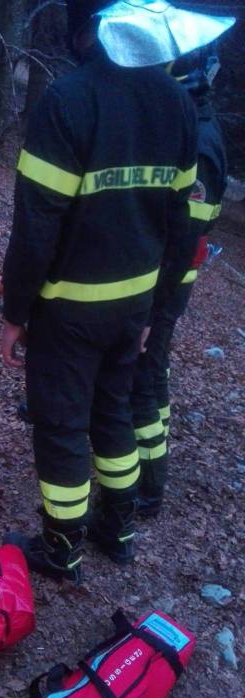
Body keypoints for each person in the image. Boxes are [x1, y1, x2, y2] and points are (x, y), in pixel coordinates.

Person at [0, 0, 234, 584]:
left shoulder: (67, 100)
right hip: (134, 304)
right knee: (112, 414)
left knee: (60, 425)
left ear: (95, 36)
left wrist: (15, 310)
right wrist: (158, 308)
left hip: (70, 306)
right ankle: (118, 529)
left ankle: (61, 548)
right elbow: (184, 223)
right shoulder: (180, 105)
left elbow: (36, 226)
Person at [131, 46, 228, 518]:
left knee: (145, 378)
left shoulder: (200, 145)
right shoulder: (191, 126)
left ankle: (148, 488)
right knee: (155, 372)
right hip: (164, 279)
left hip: (167, 285)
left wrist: (151, 310)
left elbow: (185, 234)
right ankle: (150, 457)